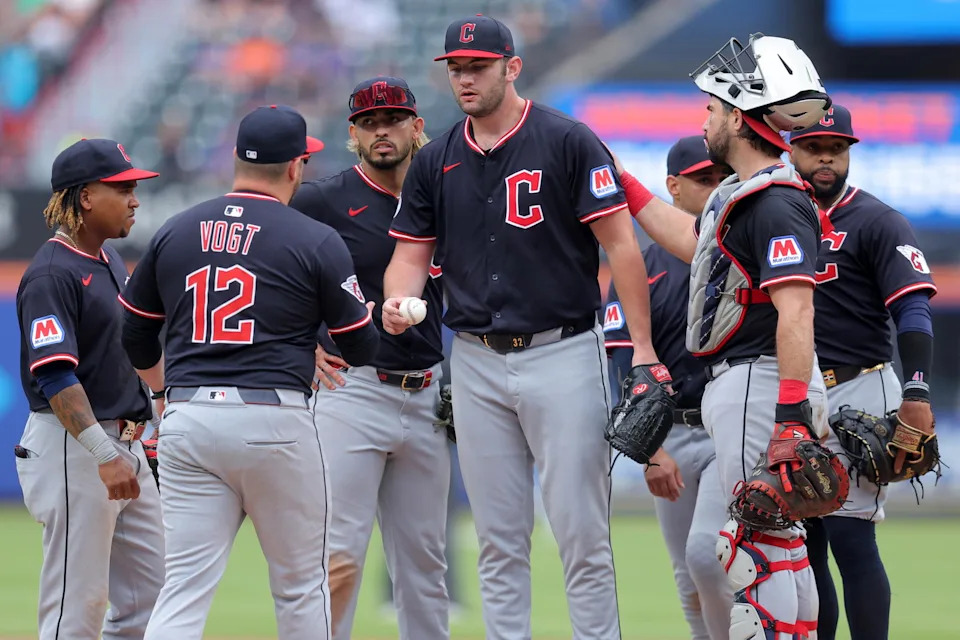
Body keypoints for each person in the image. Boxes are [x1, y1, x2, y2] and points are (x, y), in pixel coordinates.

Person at [382, 15, 663, 640]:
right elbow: (408, 256)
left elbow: (622, 247)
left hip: (562, 350)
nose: (464, 78)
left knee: (581, 531)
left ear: (511, 66)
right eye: (456, 68)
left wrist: (640, 348)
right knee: (498, 537)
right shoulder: (435, 160)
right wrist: (398, 299)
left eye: (477, 66)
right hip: (477, 358)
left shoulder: (567, 140)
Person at [118, 105, 380, 640]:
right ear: (295, 167)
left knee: (184, 587)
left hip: (190, 418)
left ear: (237, 159)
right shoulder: (314, 237)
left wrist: (164, 391)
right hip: (273, 419)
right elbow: (360, 344)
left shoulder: (177, 229)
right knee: (301, 585)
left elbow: (135, 333)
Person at [613, 34, 836, 638]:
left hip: (758, 380)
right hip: (761, 381)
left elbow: (796, 313)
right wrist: (624, 185)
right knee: (780, 544)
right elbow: (695, 246)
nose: (705, 119)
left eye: (711, 108)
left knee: (746, 548)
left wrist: (789, 411)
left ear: (740, 116)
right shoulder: (746, 194)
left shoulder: (772, 200)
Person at [290, 76, 451, 640]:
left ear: (416, 126)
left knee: (426, 567)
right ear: (353, 134)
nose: (382, 130)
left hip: (427, 391)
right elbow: (273, 275)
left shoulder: (444, 194)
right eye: (369, 122)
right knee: (338, 557)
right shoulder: (321, 199)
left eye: (393, 119)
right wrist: (302, 346)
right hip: (350, 390)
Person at [787, 105, 937, 640]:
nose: (827, 156)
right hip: (790, 393)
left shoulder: (877, 219)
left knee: (850, 538)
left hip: (860, 387)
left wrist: (917, 391)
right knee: (802, 546)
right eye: (814, 146)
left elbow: (913, 310)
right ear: (790, 149)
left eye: (838, 147)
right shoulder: (772, 215)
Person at [14, 138, 164, 639]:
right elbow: (55, 375)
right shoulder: (52, 273)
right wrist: (104, 452)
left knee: (154, 596)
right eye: (122, 188)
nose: (135, 198)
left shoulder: (107, 260)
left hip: (122, 444)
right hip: (75, 448)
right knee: (77, 606)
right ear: (85, 198)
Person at [604, 135, 732, 639]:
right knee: (688, 578)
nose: (717, 186)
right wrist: (652, 450)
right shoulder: (642, 266)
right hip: (673, 430)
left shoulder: (736, 254)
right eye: (704, 179)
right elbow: (622, 360)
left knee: (711, 556)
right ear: (672, 188)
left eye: (723, 176)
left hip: (729, 424)